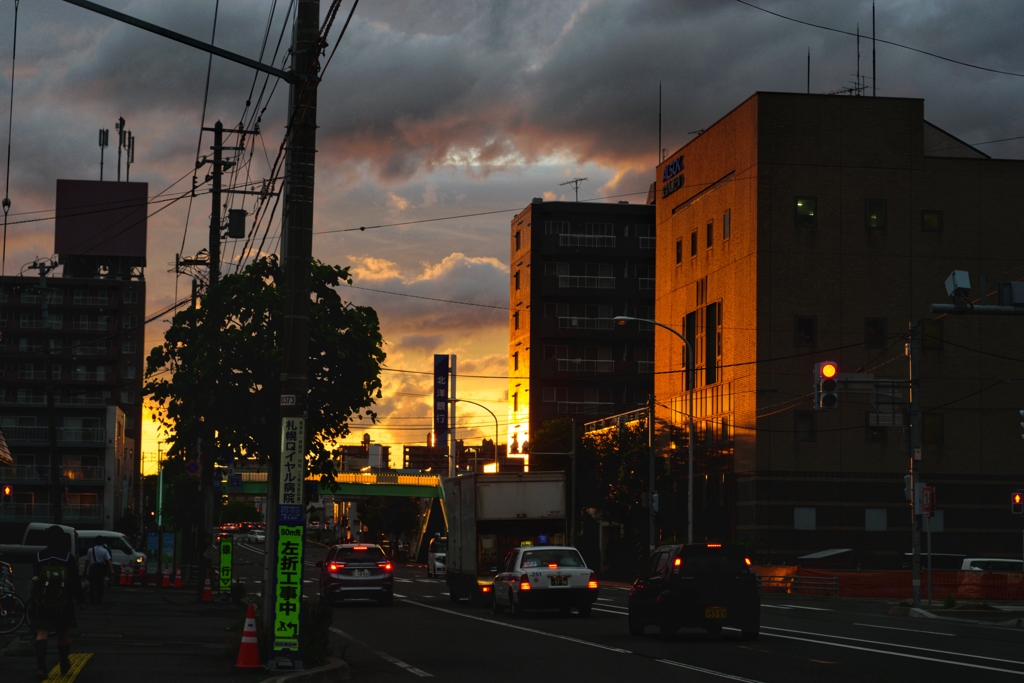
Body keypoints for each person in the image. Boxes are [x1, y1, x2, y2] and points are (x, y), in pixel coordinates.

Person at [29, 526, 86, 680]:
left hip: (42, 601)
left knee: (42, 633)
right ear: (61, 540)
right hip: (63, 602)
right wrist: (81, 601)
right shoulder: (67, 557)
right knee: (62, 633)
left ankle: (41, 668)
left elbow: (35, 579)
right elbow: (74, 581)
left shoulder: (39, 556)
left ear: (47, 539)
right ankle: (63, 662)